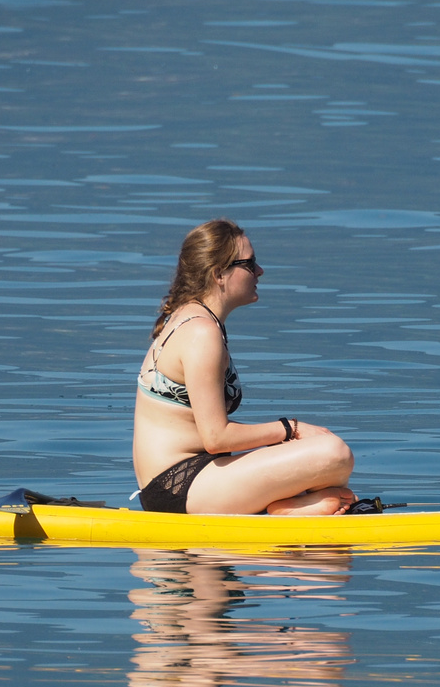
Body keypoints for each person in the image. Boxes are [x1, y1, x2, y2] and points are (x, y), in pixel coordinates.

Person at [133, 220, 357, 516]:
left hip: (192, 478)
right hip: (178, 489)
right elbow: (216, 439)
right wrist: (290, 428)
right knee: (335, 454)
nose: (260, 271)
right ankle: (284, 510)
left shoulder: (197, 319)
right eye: (249, 264)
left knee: (332, 561)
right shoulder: (201, 333)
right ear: (219, 274)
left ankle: (290, 508)